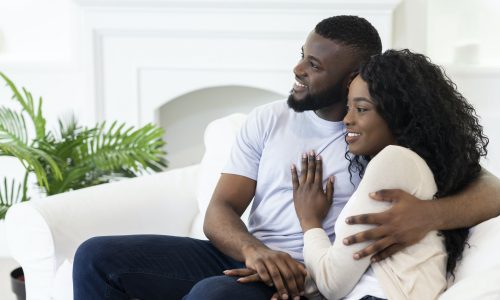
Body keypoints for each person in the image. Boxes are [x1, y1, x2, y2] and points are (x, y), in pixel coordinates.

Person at [72, 16, 500, 300]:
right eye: (302, 54)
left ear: (354, 77)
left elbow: (491, 190)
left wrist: (429, 214)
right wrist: (254, 251)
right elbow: (220, 210)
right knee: (96, 257)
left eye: (313, 64)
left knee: (211, 296)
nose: (297, 69)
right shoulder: (267, 120)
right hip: (248, 255)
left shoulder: (381, 136)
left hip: (306, 277)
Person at [284, 49, 488, 299]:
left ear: (398, 114)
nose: (346, 119)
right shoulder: (415, 167)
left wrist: (309, 221)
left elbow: (332, 283)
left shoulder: (394, 160)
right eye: (348, 107)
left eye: (361, 109)